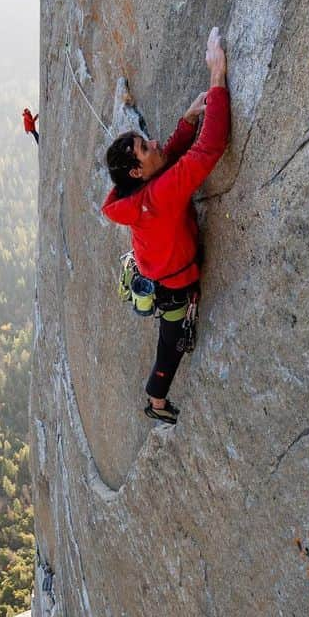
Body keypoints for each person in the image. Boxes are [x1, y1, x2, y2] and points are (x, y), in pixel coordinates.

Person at [102, 27, 230, 424]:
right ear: (136, 171)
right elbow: (210, 149)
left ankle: (156, 397)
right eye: (144, 146)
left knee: (172, 338)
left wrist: (189, 119)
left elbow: (168, 162)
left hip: (161, 269)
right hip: (173, 284)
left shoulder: (142, 192)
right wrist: (216, 78)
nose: (153, 141)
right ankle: (156, 401)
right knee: (170, 346)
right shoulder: (156, 199)